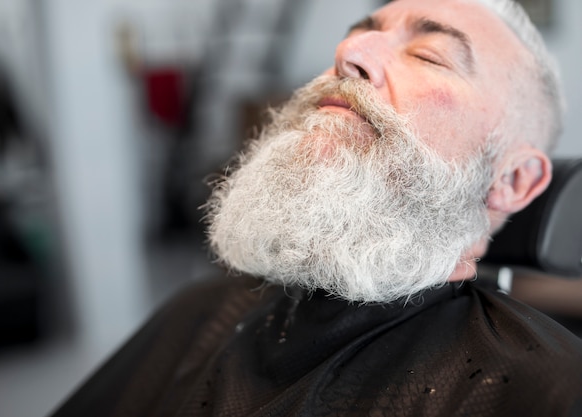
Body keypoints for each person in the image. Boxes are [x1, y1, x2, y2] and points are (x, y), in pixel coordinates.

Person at [51, 0, 582, 416]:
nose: (348, 54)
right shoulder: (202, 312)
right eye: (360, 34)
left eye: (428, 56)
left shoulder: (544, 390)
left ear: (512, 180)